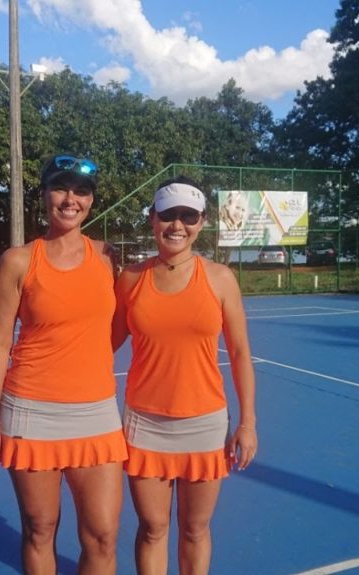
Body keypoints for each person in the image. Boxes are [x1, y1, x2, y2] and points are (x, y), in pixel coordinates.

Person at [0, 154, 128, 575]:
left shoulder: (108, 257)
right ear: (43, 195)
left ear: (91, 201)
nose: (70, 199)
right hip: (30, 413)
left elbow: (130, 321)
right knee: (40, 529)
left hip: (96, 415)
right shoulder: (19, 260)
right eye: (60, 188)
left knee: (103, 536)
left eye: (81, 191)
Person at [112, 177, 258, 575]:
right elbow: (101, 343)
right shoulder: (130, 279)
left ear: (202, 222)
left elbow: (242, 352)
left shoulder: (220, 279)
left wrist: (247, 423)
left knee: (194, 530)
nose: (177, 225)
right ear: (152, 219)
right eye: (168, 215)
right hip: (144, 424)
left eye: (188, 216)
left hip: (205, 424)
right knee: (153, 527)